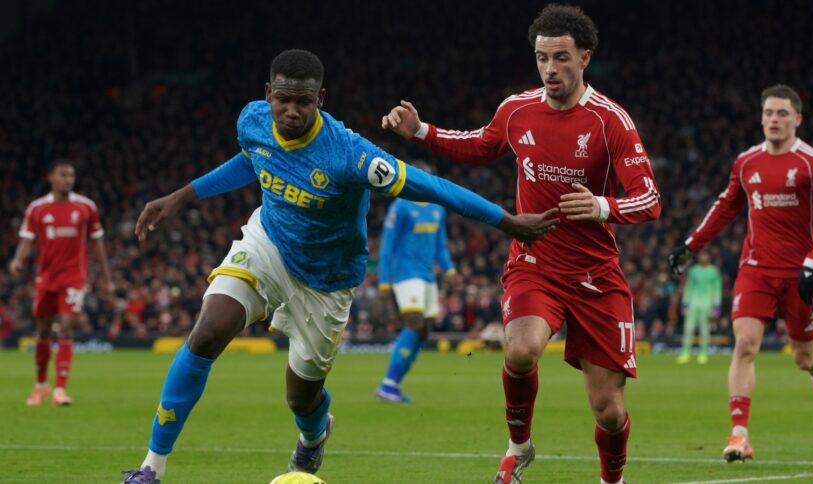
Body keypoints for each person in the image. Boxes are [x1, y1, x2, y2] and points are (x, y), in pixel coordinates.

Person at [119, 49, 558, 484]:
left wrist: (507, 221)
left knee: (302, 397)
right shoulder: (253, 120)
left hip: (327, 282)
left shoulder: (351, 156)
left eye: (303, 102)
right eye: (283, 100)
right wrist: (182, 196)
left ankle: (314, 435)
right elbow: (253, 159)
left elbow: (431, 187)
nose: (291, 111)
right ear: (268, 93)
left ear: (320, 99)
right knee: (207, 332)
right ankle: (151, 467)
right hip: (268, 243)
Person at [381, 5, 661, 483]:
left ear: (585, 58)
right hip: (535, 263)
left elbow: (650, 200)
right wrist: (422, 132)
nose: (550, 68)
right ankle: (519, 446)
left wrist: (600, 206)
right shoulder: (516, 110)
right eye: (542, 58)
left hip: (596, 275)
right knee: (521, 350)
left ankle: (612, 479)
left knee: (609, 411)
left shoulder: (610, 121)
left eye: (561, 58)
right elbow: (479, 144)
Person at [669, 84, 813, 463]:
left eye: (782, 114)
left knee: (803, 357)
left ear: (797, 119)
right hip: (756, 269)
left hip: (800, 273)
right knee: (745, 344)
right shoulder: (747, 162)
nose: (774, 120)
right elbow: (725, 206)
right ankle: (739, 435)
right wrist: (691, 245)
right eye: (768, 113)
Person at [9, 161, 112, 407]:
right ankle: (41, 384)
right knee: (43, 332)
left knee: (66, 328)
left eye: (71, 175)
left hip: (74, 278)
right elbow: (27, 239)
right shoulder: (37, 209)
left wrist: (106, 278)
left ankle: (60, 390)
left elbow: (96, 243)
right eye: (63, 175)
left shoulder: (86, 207)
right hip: (46, 279)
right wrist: (18, 260)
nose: (68, 179)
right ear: (51, 178)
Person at [375, 184, 456, 403]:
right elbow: (387, 245)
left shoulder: (437, 208)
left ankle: (393, 384)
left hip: (428, 276)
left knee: (424, 330)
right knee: (414, 322)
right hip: (406, 274)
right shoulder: (400, 206)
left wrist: (449, 269)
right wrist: (384, 282)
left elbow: (441, 245)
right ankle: (388, 383)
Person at [677, 251, 722, 364]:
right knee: (688, 328)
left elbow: (717, 288)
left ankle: (703, 353)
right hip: (693, 303)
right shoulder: (694, 271)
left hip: (707, 303)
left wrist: (716, 304)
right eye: (701, 255)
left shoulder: (714, 271)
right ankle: (685, 352)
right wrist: (685, 302)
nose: (703, 257)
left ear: (709, 257)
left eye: (705, 255)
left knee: (704, 330)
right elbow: (689, 286)